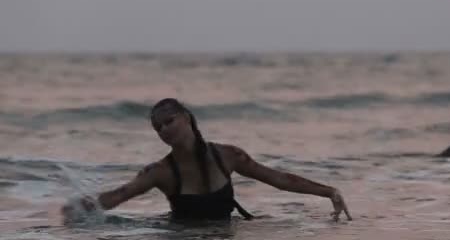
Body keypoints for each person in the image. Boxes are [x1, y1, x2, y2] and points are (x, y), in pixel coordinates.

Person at [62, 98, 351, 222]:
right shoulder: (161, 173)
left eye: (168, 121)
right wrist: (82, 208)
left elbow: (278, 179)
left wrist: (329, 192)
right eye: (157, 128)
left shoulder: (227, 156)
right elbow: (121, 194)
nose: (163, 130)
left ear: (187, 118)